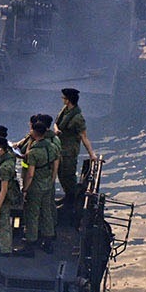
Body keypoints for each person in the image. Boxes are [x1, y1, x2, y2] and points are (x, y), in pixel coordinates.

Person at [20, 115, 58, 253]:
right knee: (47, 212)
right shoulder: (52, 147)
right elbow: (55, 165)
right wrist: (52, 179)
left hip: (36, 186)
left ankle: (30, 243)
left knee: (32, 214)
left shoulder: (34, 153)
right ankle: (48, 241)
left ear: (35, 133)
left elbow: (30, 174)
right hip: (47, 184)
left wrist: (25, 189)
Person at [57, 87, 95, 224]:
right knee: (61, 174)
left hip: (69, 151)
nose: (62, 100)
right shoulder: (65, 111)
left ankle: (71, 202)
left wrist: (92, 154)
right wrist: (56, 130)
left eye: (64, 98)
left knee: (69, 175)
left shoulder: (77, 118)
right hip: (60, 148)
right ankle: (67, 196)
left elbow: (84, 137)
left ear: (69, 100)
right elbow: (57, 124)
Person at [0, 133, 22, 255]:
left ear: (0, 149)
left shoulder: (5, 167)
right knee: (2, 223)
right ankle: (4, 245)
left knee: (2, 223)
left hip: (2, 195)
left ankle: (5, 251)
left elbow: (4, 189)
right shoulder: (6, 156)